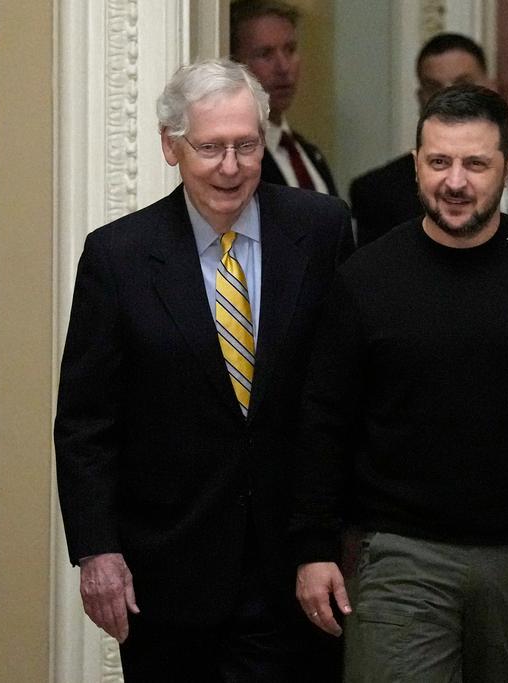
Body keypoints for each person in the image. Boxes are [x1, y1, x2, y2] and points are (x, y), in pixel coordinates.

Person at [291, 84, 508, 683]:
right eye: (438, 162)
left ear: (506, 169)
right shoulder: (367, 278)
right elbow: (323, 419)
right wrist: (312, 546)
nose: (455, 182)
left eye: (475, 164)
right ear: (416, 165)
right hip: (400, 557)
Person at [54, 58, 353, 682]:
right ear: (171, 147)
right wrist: (97, 549)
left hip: (293, 567)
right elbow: (86, 421)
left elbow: (337, 398)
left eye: (246, 145)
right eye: (211, 147)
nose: (232, 166)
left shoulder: (320, 230)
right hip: (166, 572)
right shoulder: (119, 256)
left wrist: (323, 540)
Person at [349, 33, 508, 260]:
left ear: (493, 87)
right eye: (435, 87)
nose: (450, 96)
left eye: (463, 83)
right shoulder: (379, 192)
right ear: (420, 98)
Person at [230, 0, 338, 195]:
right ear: (235, 64)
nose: (283, 67)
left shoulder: (310, 155)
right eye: (265, 54)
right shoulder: (234, 160)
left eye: (290, 50)